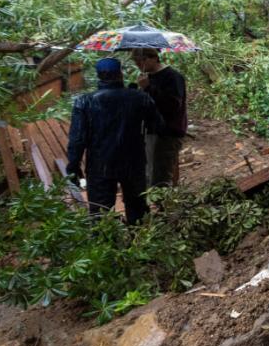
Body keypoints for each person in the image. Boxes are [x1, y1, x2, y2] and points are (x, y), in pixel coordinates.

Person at [67, 57, 163, 224]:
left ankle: (106, 247)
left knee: (100, 213)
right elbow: (157, 126)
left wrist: (73, 167)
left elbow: (77, 139)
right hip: (134, 163)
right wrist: (142, 94)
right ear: (120, 74)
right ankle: (139, 243)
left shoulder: (84, 102)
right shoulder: (139, 98)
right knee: (138, 208)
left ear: (99, 76)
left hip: (100, 165)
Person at [132, 48, 188, 187]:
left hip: (168, 132)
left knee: (161, 177)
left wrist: (148, 88)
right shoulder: (147, 78)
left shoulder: (173, 77)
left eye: (141, 60)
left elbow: (173, 106)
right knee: (150, 175)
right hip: (151, 131)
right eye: (136, 62)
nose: (139, 64)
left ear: (153, 58)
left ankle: (166, 207)